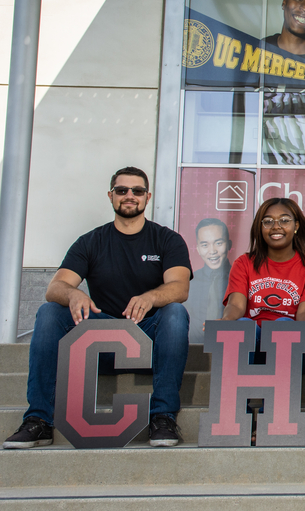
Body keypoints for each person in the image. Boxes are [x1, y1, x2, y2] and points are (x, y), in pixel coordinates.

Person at [3, 167, 192, 449]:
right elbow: (54, 288)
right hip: (99, 342)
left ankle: (163, 417)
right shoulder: (91, 241)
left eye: (137, 191)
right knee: (49, 311)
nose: (130, 196)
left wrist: (151, 297)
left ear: (147, 197)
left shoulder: (167, 240)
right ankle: (39, 421)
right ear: (111, 195)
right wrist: (73, 294)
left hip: (147, 341)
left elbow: (180, 287)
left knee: (175, 313)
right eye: (122, 190)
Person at [221, 198, 305, 374]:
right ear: (260, 228)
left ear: (296, 226)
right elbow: (236, 305)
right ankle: (236, 400)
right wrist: (225, 323)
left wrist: (303, 327)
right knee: (243, 325)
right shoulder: (244, 263)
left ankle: (275, 401)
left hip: (295, 346)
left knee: (284, 326)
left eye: (284, 220)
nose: (276, 226)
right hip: (254, 344)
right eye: (268, 221)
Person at [186, 218, 232, 344]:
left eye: (218, 243)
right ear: (198, 249)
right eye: (205, 245)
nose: (212, 251)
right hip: (195, 353)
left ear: (229, 245)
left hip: (231, 348)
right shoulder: (189, 282)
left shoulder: (240, 280)